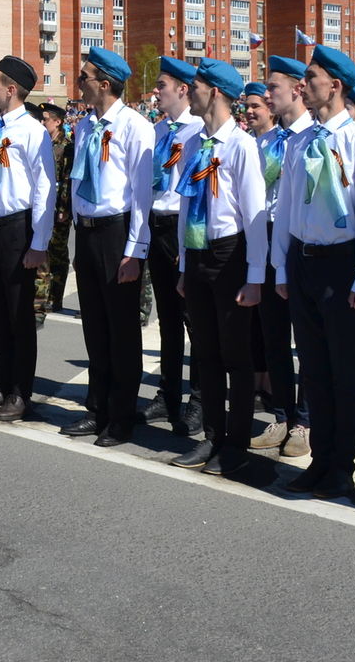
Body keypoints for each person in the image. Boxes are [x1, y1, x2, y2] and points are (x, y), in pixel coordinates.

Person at [271, 45, 355, 500]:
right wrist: (281, 265)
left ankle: (341, 464)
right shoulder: (299, 142)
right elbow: (287, 208)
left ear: (334, 86)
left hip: (341, 265)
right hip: (304, 261)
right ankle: (320, 459)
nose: (304, 85)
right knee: (314, 369)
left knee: (345, 371)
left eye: (311, 77)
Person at [171, 59, 266, 476]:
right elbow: (186, 204)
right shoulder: (195, 142)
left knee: (236, 356)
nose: (188, 92)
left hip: (229, 256)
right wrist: (183, 264)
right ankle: (212, 435)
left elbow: (254, 215)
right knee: (205, 353)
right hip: (197, 253)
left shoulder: (241, 146)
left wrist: (256, 276)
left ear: (214, 93)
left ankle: (236, 443)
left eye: (194, 86)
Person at [60, 47, 154, 447]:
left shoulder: (134, 126)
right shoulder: (84, 125)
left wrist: (135, 251)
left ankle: (122, 415)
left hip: (118, 234)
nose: (78, 82)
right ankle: (96, 408)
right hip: (88, 232)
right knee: (95, 327)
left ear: (104, 83)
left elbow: (142, 194)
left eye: (84, 77)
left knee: (122, 331)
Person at [0, 56, 56, 423]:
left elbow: (44, 187)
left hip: (17, 229)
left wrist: (39, 243)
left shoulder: (32, 131)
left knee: (19, 316)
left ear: (12, 89)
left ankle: (20, 392)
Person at [252, 59, 314, 458]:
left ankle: (304, 421)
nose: (268, 93)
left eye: (274, 87)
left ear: (297, 89)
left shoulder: (312, 137)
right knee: (273, 333)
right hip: (269, 235)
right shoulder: (267, 140)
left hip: (303, 238)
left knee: (305, 338)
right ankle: (281, 414)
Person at [143, 56, 205, 435]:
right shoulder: (159, 130)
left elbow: (195, 192)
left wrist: (187, 243)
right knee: (167, 318)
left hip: (182, 230)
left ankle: (199, 399)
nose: (156, 91)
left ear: (183, 89)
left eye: (162, 85)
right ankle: (168, 394)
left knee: (193, 319)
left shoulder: (198, 131)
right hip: (158, 226)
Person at [32, 100, 74, 324]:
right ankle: (43, 294)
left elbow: (67, 179)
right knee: (43, 250)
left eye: (46, 119)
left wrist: (64, 208)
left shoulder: (65, 146)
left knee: (57, 253)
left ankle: (55, 296)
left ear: (57, 122)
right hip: (43, 202)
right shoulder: (42, 143)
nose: (42, 123)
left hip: (59, 204)